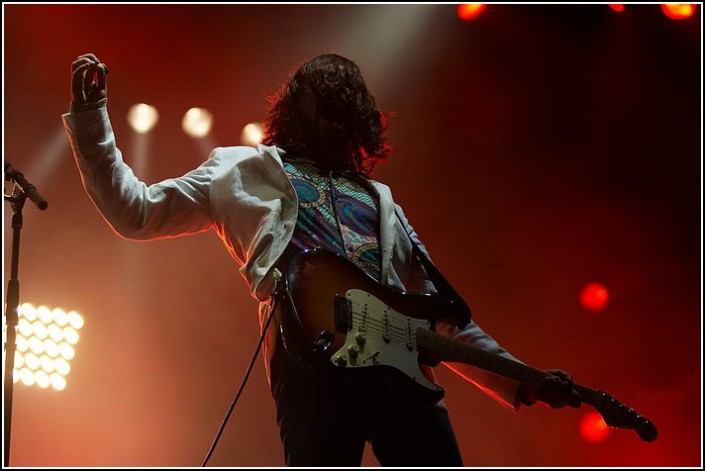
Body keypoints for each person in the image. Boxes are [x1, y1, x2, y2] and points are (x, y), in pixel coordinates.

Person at [64, 52, 581, 467]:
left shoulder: (382, 202)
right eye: (327, 111)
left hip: (398, 369)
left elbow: (439, 313)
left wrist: (519, 377)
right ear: (299, 110)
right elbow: (136, 212)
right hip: (309, 356)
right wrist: (93, 121)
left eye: (346, 116)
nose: (337, 127)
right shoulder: (238, 169)